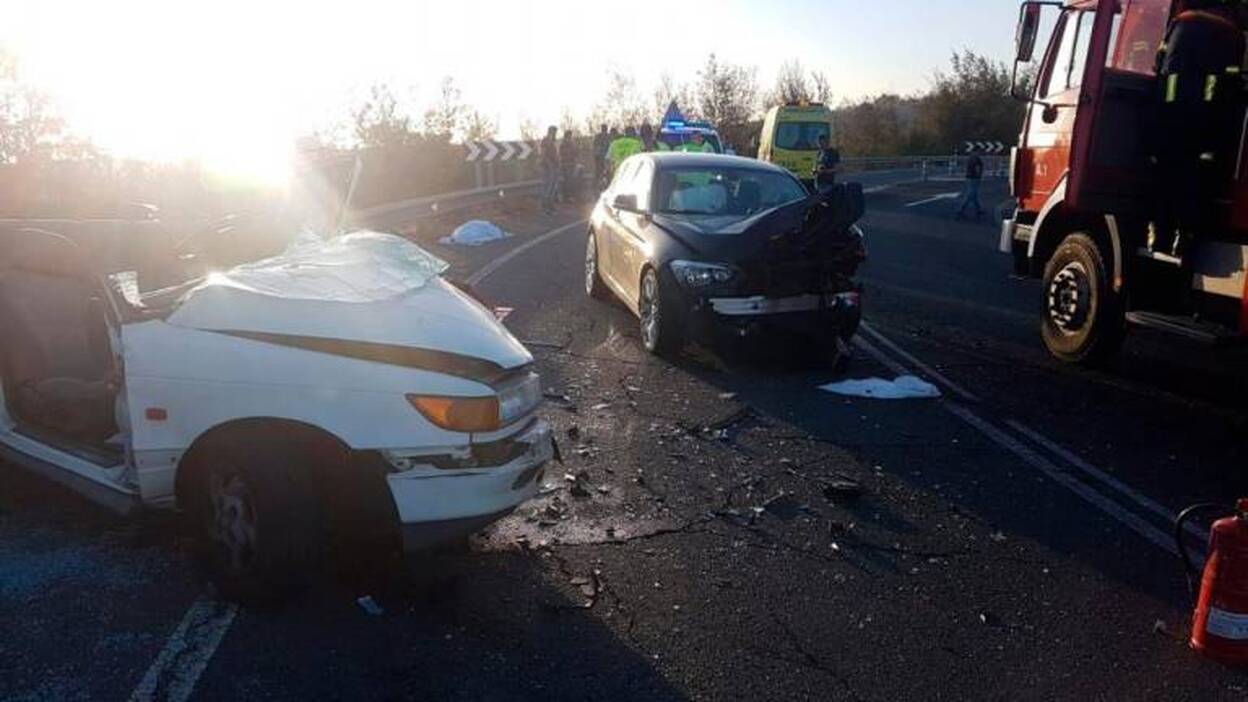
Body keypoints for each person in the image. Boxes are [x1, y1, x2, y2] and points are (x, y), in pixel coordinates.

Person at [1152, 0, 1246, 254]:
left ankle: (1161, 236)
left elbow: (1159, 65)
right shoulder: (1232, 34)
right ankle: (1186, 236)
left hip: (1171, 117)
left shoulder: (1181, 23)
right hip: (1207, 123)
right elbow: (1233, 80)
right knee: (1198, 176)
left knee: (1166, 173)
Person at [955, 153, 984, 220]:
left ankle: (978, 209)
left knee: (974, 195)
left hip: (969, 177)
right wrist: (979, 175)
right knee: (971, 194)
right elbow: (978, 168)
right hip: (974, 178)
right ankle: (961, 209)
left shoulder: (970, 158)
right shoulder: (977, 159)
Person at [540, 125, 559, 214]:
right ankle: (545, 206)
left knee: (553, 187)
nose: (555, 134)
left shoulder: (553, 142)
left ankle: (550, 205)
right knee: (548, 187)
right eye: (554, 132)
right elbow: (543, 155)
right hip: (548, 167)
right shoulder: (545, 141)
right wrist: (549, 165)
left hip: (554, 166)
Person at [559, 129, 579, 203]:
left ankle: (569, 196)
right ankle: (567, 196)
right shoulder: (564, 144)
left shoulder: (572, 144)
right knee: (567, 180)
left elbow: (576, 152)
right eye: (568, 135)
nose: (570, 137)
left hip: (571, 164)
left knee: (570, 180)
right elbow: (562, 154)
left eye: (570, 136)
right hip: (566, 164)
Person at [593, 124, 611, 190]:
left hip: (603, 158)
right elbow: (595, 147)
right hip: (602, 158)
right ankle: (598, 187)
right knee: (600, 173)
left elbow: (595, 147)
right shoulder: (606, 136)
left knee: (603, 173)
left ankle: (600, 187)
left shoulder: (600, 136)